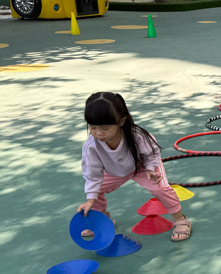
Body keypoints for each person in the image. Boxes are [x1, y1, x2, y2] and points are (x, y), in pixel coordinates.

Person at [78, 92, 191, 242]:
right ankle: (103, 219)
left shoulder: (137, 135)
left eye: (105, 128)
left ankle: (180, 220)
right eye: (92, 127)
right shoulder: (91, 146)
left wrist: (150, 168)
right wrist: (90, 200)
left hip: (142, 167)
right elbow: (92, 175)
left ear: (121, 121)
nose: (98, 133)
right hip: (114, 171)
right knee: (94, 189)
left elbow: (152, 153)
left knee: (160, 188)